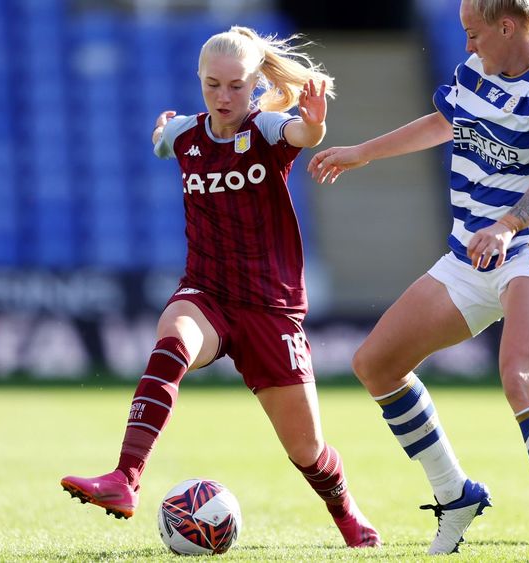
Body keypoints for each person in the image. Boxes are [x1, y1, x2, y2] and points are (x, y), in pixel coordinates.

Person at [61, 26, 381, 549]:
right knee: (173, 340)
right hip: (206, 294)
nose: (224, 97)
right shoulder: (186, 133)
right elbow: (164, 142)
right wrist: (160, 131)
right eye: (213, 85)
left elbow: (300, 136)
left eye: (236, 86)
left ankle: (346, 513)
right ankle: (125, 479)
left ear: (255, 84)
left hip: (270, 309)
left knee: (307, 449)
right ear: (200, 82)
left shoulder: (266, 129)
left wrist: (315, 126)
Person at [308, 0, 529, 560]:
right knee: (376, 365)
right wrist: (363, 153)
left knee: (519, 375)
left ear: (508, 26)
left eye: (474, 34)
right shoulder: (479, 70)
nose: (467, 46)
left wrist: (508, 225)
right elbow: (447, 121)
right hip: (472, 254)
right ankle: (455, 493)